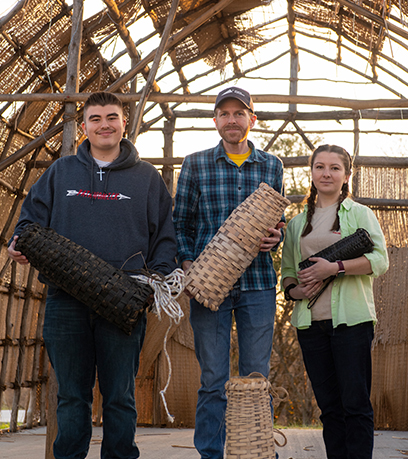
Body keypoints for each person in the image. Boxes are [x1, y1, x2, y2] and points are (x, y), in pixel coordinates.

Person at [8, 92, 177, 459]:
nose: (104, 125)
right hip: (66, 302)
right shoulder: (60, 172)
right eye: (96, 118)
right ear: (84, 126)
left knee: (120, 396)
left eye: (111, 117)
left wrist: (153, 283)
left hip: (123, 303)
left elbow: (165, 237)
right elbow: (27, 223)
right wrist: (18, 244)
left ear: (124, 123)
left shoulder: (147, 179)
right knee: (71, 396)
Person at [173, 86, 285, 459]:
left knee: (257, 378)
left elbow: (277, 221)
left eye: (240, 113)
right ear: (216, 120)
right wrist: (188, 265)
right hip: (210, 287)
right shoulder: (196, 163)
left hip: (258, 285)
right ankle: (210, 453)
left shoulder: (272, 166)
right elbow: (181, 222)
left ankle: (256, 452)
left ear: (252, 119)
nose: (232, 120)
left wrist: (276, 236)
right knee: (213, 380)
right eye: (225, 113)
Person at [281, 144, 389, 459]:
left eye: (334, 167)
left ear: (346, 175)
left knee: (355, 404)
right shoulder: (297, 223)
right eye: (320, 167)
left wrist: (335, 268)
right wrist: (296, 292)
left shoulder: (359, 214)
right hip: (310, 325)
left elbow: (380, 260)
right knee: (329, 407)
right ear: (311, 173)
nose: (326, 173)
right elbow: (288, 273)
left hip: (352, 322)